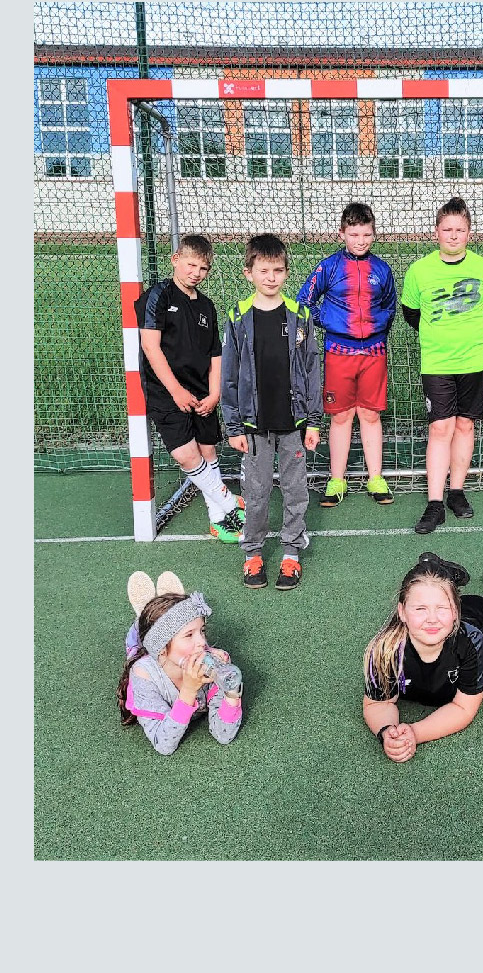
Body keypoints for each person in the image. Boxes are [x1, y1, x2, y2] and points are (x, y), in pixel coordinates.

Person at [362, 552, 483, 762]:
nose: (432, 619)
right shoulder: (386, 649)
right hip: (452, 614)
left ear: (455, 611)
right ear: (402, 611)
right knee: (435, 590)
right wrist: (388, 732)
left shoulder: (472, 641)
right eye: (420, 609)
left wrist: (415, 733)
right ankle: (440, 574)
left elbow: (463, 708)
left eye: (441, 608)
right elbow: (377, 704)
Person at [221, 234, 323, 591]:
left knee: (295, 490)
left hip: (293, 423)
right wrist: (233, 425)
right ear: (248, 272)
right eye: (263, 270)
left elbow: (312, 370)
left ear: (286, 273)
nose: (271, 277)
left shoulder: (300, 315)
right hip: (254, 425)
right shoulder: (238, 317)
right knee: (257, 492)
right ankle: (253, 552)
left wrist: (313, 420)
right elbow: (229, 374)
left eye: (278, 270)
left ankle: (292, 552)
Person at [401, 197, 483, 534]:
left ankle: (456, 492)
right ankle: (435, 502)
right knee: (440, 428)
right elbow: (411, 313)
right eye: (447, 229)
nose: (454, 235)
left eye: (460, 229)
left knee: (465, 426)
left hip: (473, 359)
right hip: (437, 361)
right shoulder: (419, 271)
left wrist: (467, 335)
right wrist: (441, 336)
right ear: (437, 232)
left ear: (469, 232)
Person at [134, 233, 244, 543]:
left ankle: (217, 519)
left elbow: (215, 353)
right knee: (185, 455)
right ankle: (230, 503)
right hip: (166, 390)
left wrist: (215, 392)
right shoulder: (158, 296)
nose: (196, 273)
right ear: (176, 260)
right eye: (191, 265)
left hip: (201, 391)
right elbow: (151, 347)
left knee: (207, 449)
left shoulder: (206, 305)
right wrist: (176, 391)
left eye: (203, 268)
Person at [296, 203, 397, 508]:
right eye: (354, 234)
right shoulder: (329, 267)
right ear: (342, 234)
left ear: (374, 234)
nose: (360, 241)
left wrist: (376, 327)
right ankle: (336, 479)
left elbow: (390, 307)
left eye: (366, 234)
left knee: (370, 414)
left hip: (374, 353)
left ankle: (375, 477)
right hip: (338, 353)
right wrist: (328, 320)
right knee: (341, 416)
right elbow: (304, 302)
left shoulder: (382, 270)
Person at [117, 570, 243, 756]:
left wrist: (231, 691)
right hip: (151, 656)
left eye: (202, 631)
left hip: (163, 649)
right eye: (189, 635)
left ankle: (159, 612)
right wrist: (189, 691)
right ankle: (141, 619)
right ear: (162, 647)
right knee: (135, 646)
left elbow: (224, 735)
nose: (202, 642)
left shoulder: (213, 665)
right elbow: (164, 745)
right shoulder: (144, 676)